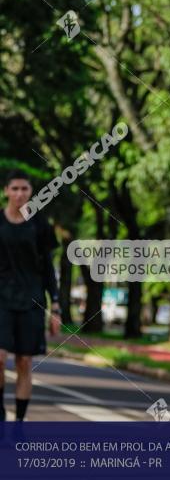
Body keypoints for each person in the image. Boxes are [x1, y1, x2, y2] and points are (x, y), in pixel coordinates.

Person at [0, 169, 62, 421]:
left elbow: (48, 268)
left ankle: (19, 423)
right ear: (6, 191)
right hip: (1, 301)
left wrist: (55, 306)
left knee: (25, 361)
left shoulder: (39, 225)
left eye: (24, 189)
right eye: (14, 188)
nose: (19, 193)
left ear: (31, 192)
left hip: (32, 301)